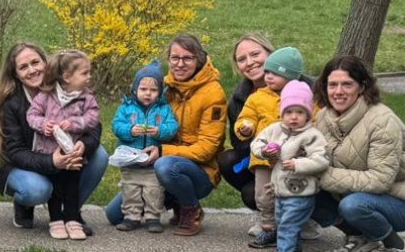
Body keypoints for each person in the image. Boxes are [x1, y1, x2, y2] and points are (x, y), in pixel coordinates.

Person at [309, 56, 405, 252]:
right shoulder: (323, 117)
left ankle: (396, 247)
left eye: (347, 84)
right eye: (332, 84)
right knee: (302, 189)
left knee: (353, 205)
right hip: (353, 192)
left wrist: (323, 177)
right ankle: (359, 236)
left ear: (362, 87)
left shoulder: (382, 121)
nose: (338, 91)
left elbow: (380, 180)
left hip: (402, 201)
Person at [103, 33, 227, 236]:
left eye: (187, 58)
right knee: (114, 215)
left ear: (199, 59)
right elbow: (131, 111)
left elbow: (207, 149)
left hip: (197, 171)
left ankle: (190, 209)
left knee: (165, 166)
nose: (180, 64)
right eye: (174, 58)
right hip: (154, 168)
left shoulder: (213, 93)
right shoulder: (162, 87)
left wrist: (162, 151)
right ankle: (175, 199)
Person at [0, 41, 109, 231]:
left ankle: (71, 213)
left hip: (66, 154)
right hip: (24, 164)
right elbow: (14, 151)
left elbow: (93, 125)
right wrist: (52, 161)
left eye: (35, 62)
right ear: (16, 74)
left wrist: (83, 145)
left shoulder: (69, 88)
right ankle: (24, 204)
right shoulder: (12, 104)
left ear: (46, 63)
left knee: (100, 155)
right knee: (37, 190)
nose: (32, 70)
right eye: (23, 67)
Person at [247, 80, 329, 252]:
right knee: (284, 223)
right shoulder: (275, 129)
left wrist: (299, 164)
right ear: (282, 112)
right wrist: (264, 151)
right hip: (280, 191)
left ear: (308, 114)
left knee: (288, 225)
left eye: (300, 112)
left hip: (301, 192)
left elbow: (322, 160)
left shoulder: (312, 136)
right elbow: (257, 142)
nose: (294, 117)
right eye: (289, 112)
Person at [26, 50, 101, 240]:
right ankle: (56, 220)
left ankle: (72, 219)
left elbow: (93, 118)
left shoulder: (87, 97)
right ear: (67, 77)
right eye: (84, 73)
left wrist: (75, 123)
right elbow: (32, 115)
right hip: (51, 153)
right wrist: (44, 124)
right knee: (55, 188)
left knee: (72, 186)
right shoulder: (46, 95)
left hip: (73, 152)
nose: (89, 77)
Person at [233, 46, 305, 240]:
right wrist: (245, 127)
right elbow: (246, 117)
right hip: (264, 158)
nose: (269, 77)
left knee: (293, 192)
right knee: (263, 193)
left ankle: (301, 224)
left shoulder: (302, 96)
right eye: (267, 72)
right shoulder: (257, 97)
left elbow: (312, 120)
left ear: (290, 76)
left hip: (292, 159)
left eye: (275, 73)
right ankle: (267, 225)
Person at [110, 61, 178, 233]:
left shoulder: (164, 109)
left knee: (153, 191)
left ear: (160, 92)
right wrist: (130, 130)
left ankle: (152, 217)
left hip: (152, 162)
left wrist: (159, 131)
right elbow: (116, 125)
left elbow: (172, 127)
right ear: (134, 89)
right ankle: (131, 217)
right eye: (143, 89)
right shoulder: (126, 108)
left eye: (153, 90)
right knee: (130, 189)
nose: (148, 93)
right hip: (130, 160)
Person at [218, 34, 276, 215]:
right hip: (262, 157)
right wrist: (252, 136)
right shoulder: (238, 99)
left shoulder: (298, 85)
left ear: (270, 53)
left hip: (298, 158)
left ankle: (306, 216)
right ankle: (267, 214)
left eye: (255, 54)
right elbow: (238, 143)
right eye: (242, 59)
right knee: (228, 161)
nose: (250, 62)